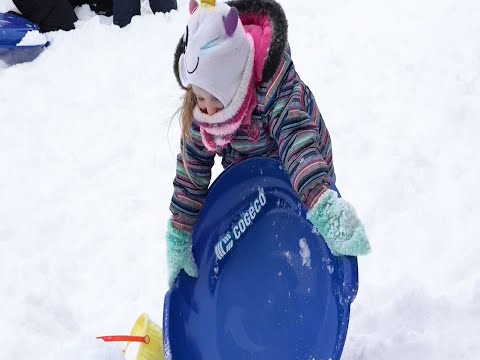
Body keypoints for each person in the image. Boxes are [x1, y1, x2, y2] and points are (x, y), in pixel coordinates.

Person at [166, 0, 371, 287]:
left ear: (236, 84)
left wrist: (322, 205)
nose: (208, 110)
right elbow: (192, 170)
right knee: (261, 236)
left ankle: (313, 278)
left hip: (303, 170)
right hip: (250, 173)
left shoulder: (278, 90)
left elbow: (297, 143)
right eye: (200, 98)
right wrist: (180, 232)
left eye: (216, 99)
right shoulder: (203, 109)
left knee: (303, 227)